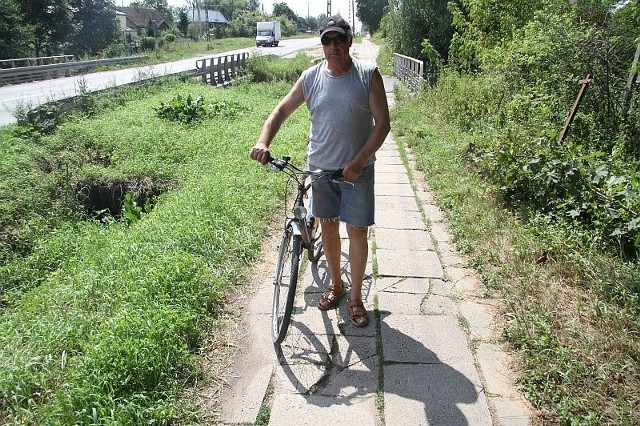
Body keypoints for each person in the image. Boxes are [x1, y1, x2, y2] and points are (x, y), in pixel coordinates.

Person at [249, 16, 390, 327]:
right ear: (322, 45)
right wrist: (263, 140)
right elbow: (280, 111)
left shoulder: (368, 75)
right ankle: (336, 286)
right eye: (327, 40)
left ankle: (355, 298)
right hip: (321, 170)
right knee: (327, 228)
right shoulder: (311, 78)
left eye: (338, 39)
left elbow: (383, 125)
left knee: (356, 232)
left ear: (350, 41)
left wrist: (358, 161)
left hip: (358, 173)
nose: (333, 46)